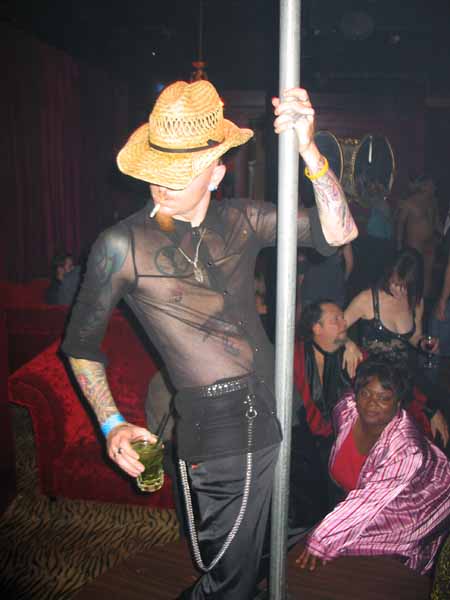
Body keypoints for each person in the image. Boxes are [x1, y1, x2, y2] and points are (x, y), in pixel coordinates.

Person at [60, 80, 357, 599]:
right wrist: (111, 424)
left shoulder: (241, 218)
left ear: (217, 173)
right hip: (217, 434)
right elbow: (81, 347)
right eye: (158, 168)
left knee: (289, 544)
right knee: (227, 584)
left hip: (279, 408)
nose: (162, 184)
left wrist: (310, 150)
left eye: (180, 172)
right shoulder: (121, 245)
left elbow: (339, 233)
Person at [290, 300, 448, 530]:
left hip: (342, 442)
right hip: (305, 447)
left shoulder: (354, 356)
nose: (345, 322)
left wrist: (430, 409)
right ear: (317, 327)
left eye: (343, 317)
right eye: (336, 320)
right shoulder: (293, 355)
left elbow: (391, 380)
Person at [297, 358, 450, 575]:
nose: (371, 403)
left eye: (383, 398)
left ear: (398, 403)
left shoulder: (406, 449)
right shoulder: (346, 409)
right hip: (361, 507)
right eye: (366, 393)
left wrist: (321, 539)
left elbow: (369, 501)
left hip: (410, 515)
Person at [344, 248, 449, 445]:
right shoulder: (368, 299)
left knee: (432, 419)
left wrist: (423, 343)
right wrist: (349, 343)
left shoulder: (416, 302)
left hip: (403, 377)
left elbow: (414, 336)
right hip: (373, 382)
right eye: (394, 282)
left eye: (403, 285)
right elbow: (337, 328)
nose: (396, 289)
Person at [396, 175, 441, 298]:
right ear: (424, 186)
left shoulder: (433, 202)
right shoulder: (410, 202)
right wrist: (399, 245)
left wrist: (440, 237)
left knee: (427, 274)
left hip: (430, 244)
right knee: (412, 274)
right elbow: (400, 224)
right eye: (432, 185)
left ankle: (422, 301)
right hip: (414, 244)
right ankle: (408, 299)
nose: (434, 188)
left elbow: (436, 222)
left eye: (434, 186)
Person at [300, 242, 353, 309]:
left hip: (317, 290)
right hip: (331, 290)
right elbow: (349, 263)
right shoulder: (341, 237)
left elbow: (349, 263)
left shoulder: (307, 237)